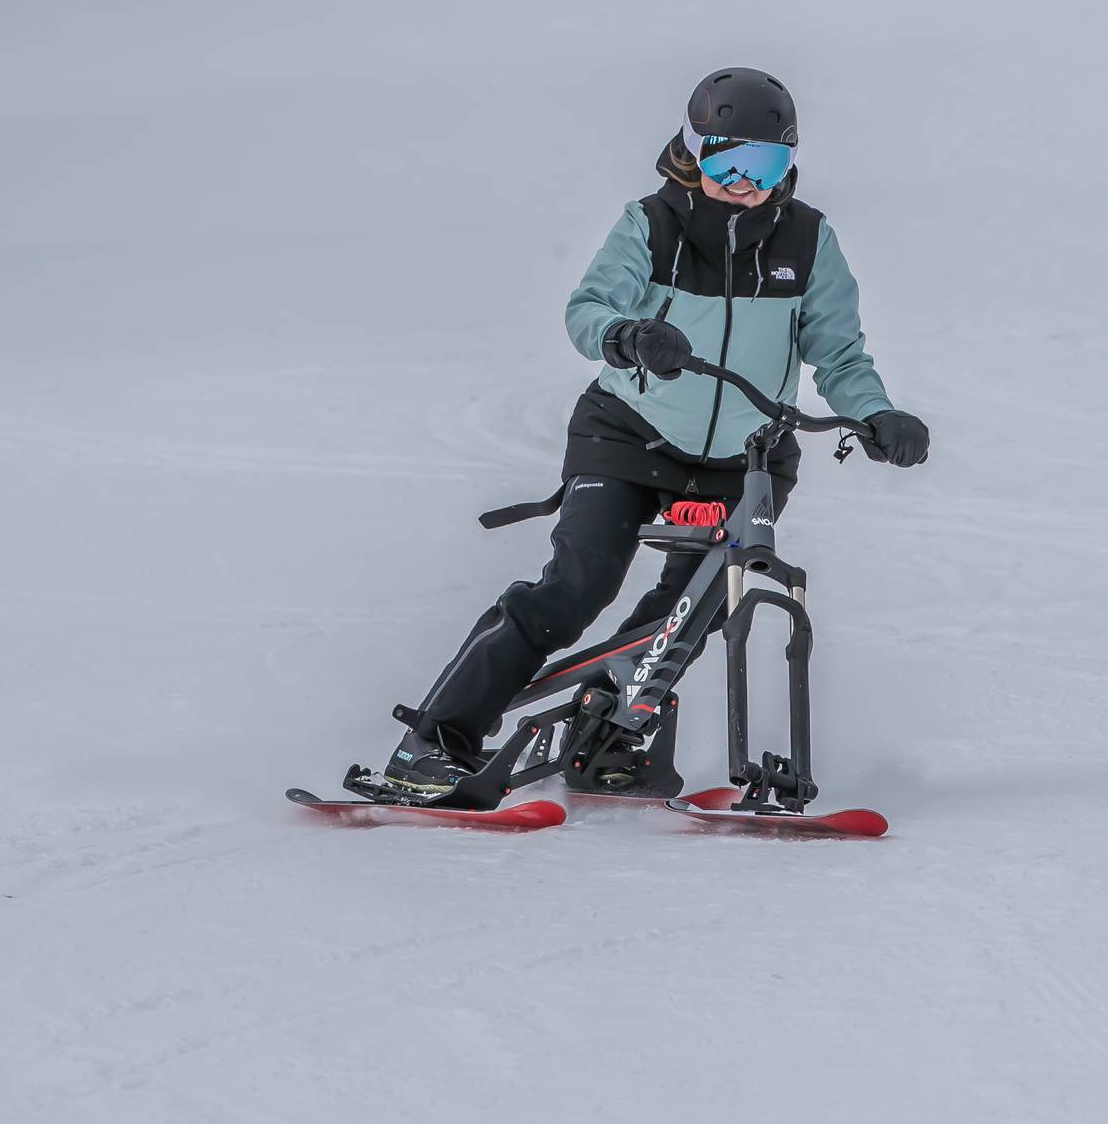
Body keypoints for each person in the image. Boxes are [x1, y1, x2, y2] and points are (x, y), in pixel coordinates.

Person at [382, 66, 930, 798]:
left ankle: (608, 731)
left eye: (764, 164)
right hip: (628, 433)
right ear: (692, 149)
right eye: (726, 160)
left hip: (748, 457)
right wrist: (629, 335)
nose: (744, 181)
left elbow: (837, 352)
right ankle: (437, 739)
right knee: (578, 585)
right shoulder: (653, 224)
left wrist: (875, 413)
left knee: (694, 609)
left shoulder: (808, 238)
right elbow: (589, 307)